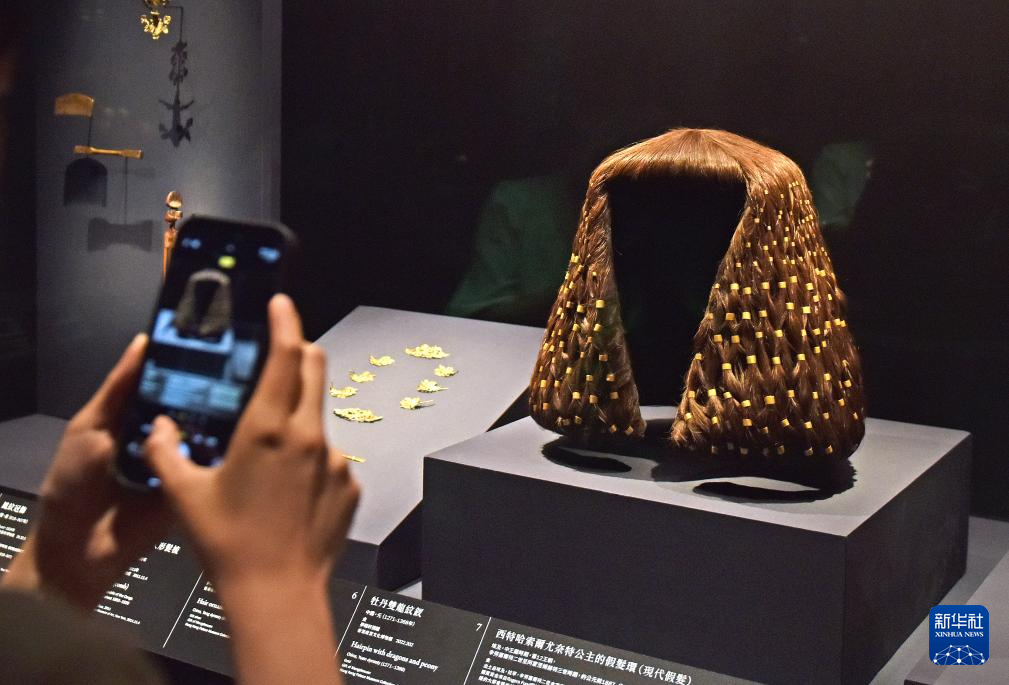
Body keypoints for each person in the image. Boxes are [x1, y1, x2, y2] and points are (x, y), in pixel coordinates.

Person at [2, 295, 361, 684]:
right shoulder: (91, 662)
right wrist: (279, 587)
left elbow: (21, 651)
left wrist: (60, 563)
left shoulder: (41, 650)